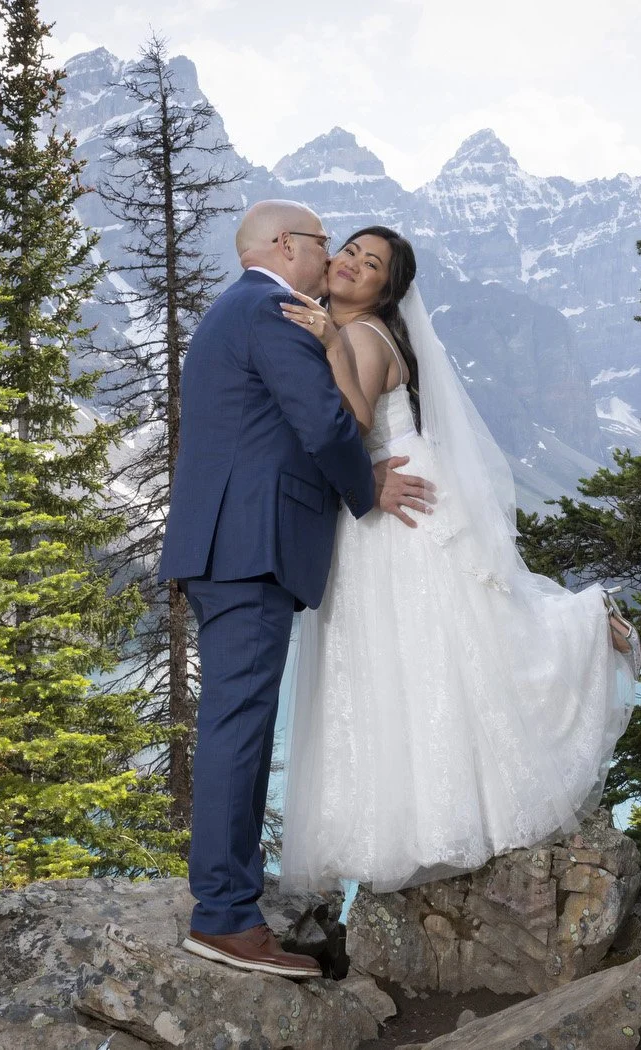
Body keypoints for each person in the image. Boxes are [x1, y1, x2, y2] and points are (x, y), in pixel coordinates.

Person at [276, 226, 641, 895]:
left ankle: (588, 623)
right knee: (448, 646)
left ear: (388, 290)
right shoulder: (370, 331)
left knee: (418, 650)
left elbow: (352, 425)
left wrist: (328, 341)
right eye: (350, 252)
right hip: (405, 489)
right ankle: (447, 810)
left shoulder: (355, 335)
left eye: (372, 264)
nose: (352, 264)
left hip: (397, 504)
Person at [157, 201, 435, 979]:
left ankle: (229, 902)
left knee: (235, 725)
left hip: (226, 547)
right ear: (286, 245)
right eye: (322, 241)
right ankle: (222, 916)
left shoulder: (236, 309)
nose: (330, 254)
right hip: (250, 548)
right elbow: (320, 423)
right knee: (238, 731)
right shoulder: (275, 309)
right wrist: (368, 487)